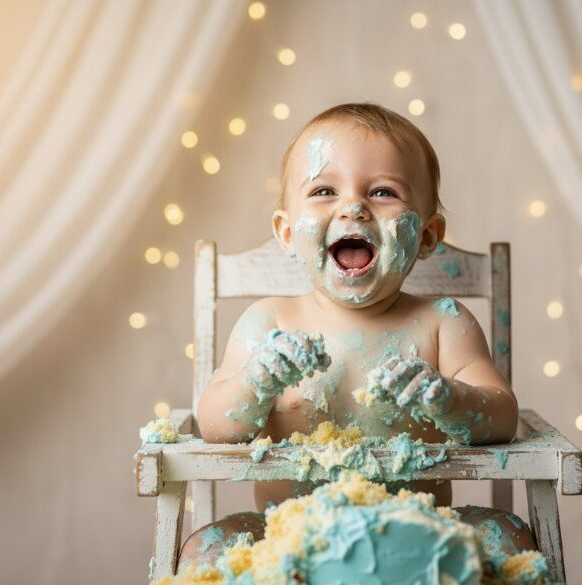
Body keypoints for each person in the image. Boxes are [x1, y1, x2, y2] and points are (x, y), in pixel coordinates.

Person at [180, 103, 536, 571]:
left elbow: (502, 416)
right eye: (324, 190)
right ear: (287, 232)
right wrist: (256, 381)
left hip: (421, 537)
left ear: (428, 236)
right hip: (287, 539)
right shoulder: (268, 323)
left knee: (507, 535)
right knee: (205, 548)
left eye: (383, 192)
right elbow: (214, 427)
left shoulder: (443, 322)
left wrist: (449, 398)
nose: (353, 207)